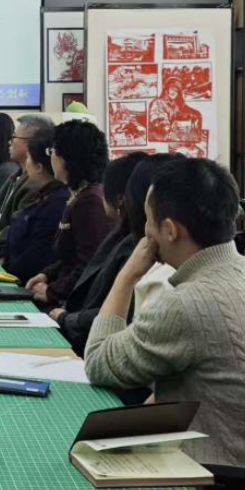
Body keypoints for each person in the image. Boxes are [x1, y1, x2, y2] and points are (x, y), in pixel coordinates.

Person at [84, 158, 245, 468]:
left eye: (148, 220)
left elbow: (98, 362)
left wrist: (126, 276)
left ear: (169, 230)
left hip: (221, 474)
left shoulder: (186, 303)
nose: (145, 231)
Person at [50, 152, 147, 356]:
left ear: (119, 199)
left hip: (91, 340)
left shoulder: (137, 247)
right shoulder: (121, 235)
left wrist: (66, 318)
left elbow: (118, 310)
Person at [27, 120, 112, 307]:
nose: (51, 157)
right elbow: (70, 257)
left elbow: (89, 265)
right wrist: (47, 275)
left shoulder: (89, 202)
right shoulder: (80, 193)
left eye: (53, 151)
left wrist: (52, 292)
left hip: (71, 305)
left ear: (67, 157)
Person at [0, 114, 56, 259]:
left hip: (0, 253)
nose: (9, 142)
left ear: (30, 143)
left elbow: (15, 231)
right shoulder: (16, 176)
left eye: (14, 137)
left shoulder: (36, 185)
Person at [2, 128, 69, 283]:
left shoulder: (57, 203)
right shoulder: (42, 195)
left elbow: (36, 256)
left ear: (39, 167)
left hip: (25, 282)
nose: (26, 165)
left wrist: (6, 272)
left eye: (28, 159)